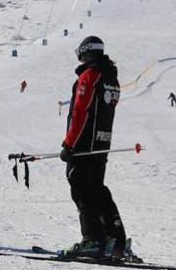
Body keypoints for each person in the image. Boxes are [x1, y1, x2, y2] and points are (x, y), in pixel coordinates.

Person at [59, 36, 128, 259]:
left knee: (80, 187)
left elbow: (81, 112)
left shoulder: (90, 75)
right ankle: (114, 238)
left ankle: (93, 239)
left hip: (84, 144)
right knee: (97, 188)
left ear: (86, 52)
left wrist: (69, 144)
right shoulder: (111, 77)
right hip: (101, 143)